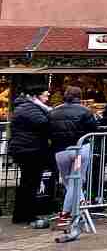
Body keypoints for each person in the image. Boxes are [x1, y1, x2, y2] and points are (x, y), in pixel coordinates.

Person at [48, 86, 99, 231]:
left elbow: (48, 130)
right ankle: (67, 214)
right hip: (80, 149)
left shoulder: (53, 111)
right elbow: (94, 128)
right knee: (75, 182)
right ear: (80, 96)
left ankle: (76, 211)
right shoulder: (85, 111)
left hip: (60, 151)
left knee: (68, 182)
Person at [9, 85, 53, 227]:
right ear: (36, 96)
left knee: (26, 183)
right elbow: (43, 123)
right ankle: (29, 215)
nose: (47, 98)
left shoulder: (25, 107)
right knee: (31, 183)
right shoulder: (29, 107)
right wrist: (50, 113)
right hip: (29, 150)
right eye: (45, 95)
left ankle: (20, 215)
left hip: (26, 148)